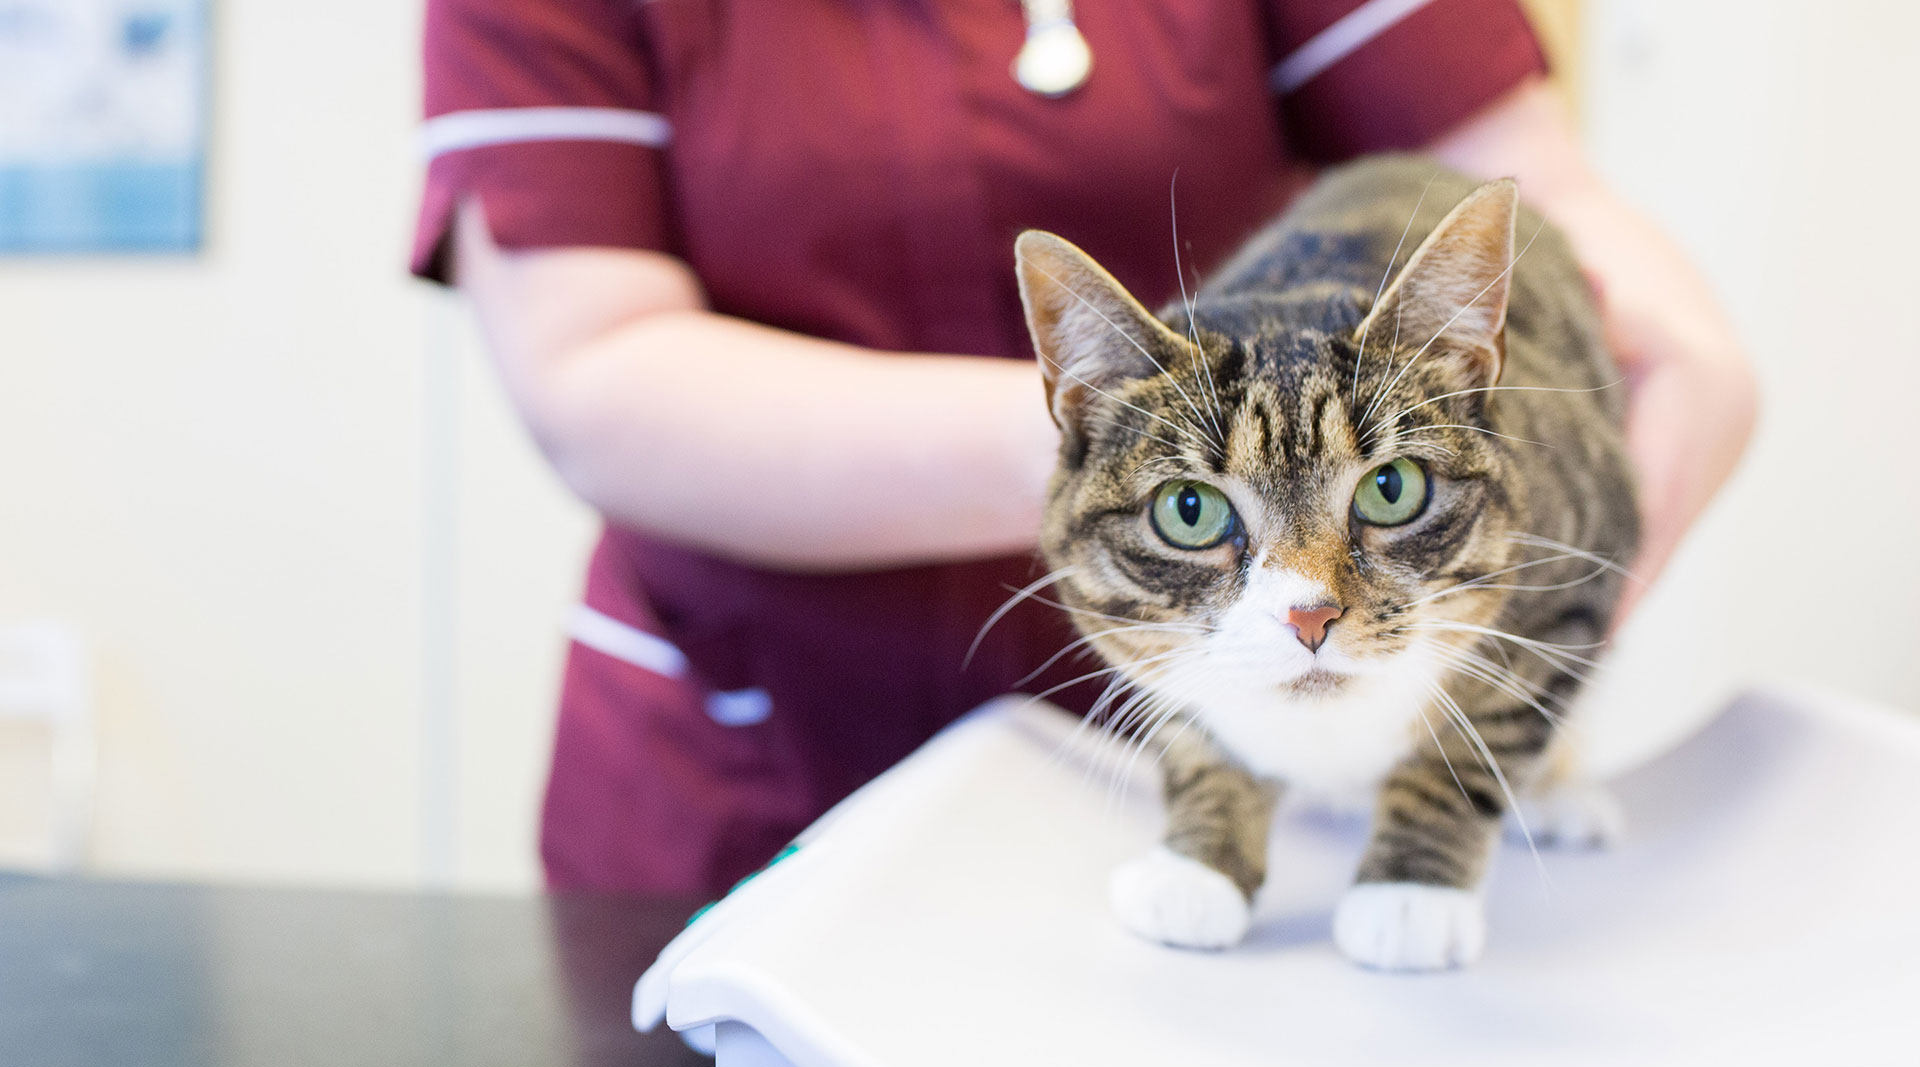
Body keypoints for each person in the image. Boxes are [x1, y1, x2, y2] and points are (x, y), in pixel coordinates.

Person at [413, 0, 1755, 899]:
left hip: (1257, 753)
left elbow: (1520, 181)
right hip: (748, 784)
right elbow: (592, 371)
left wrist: (1675, 338)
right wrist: (1144, 464)